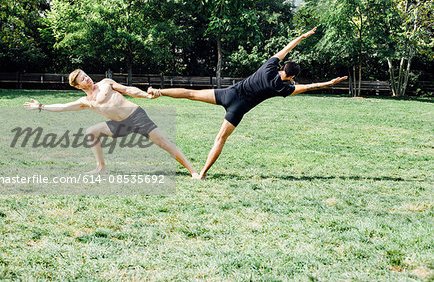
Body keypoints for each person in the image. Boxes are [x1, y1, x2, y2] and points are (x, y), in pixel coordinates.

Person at [148, 27, 348, 179]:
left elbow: (286, 49)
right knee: (220, 139)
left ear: (283, 67)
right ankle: (201, 174)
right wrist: (329, 83)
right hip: (238, 109)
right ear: (292, 75)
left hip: (228, 94)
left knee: (191, 94)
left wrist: (302, 37)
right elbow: (310, 87)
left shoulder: (269, 67)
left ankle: (158, 91)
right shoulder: (282, 88)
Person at [24, 69, 199, 178]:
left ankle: (193, 171)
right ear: (77, 86)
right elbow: (63, 107)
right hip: (120, 125)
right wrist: (42, 106)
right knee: (91, 131)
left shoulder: (106, 84)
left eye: (86, 76)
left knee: (163, 143)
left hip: (136, 116)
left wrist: (146, 95)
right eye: (83, 79)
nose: (88, 79)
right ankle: (101, 169)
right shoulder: (85, 101)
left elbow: (128, 90)